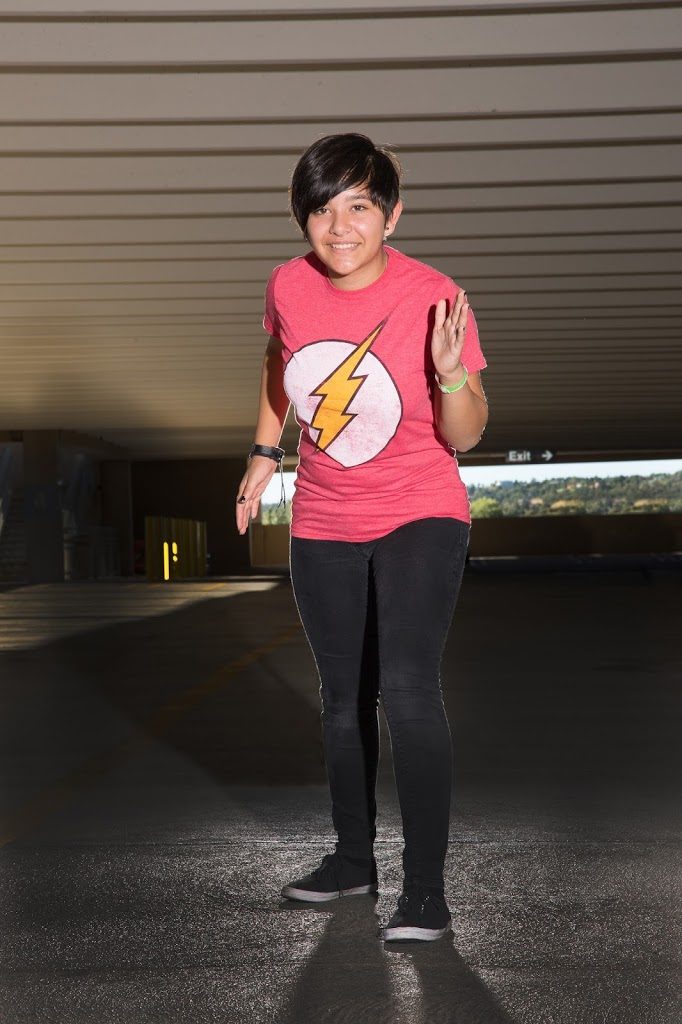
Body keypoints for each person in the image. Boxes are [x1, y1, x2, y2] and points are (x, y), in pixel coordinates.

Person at [235, 133, 489, 942]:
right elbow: (283, 365)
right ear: (302, 217)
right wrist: (263, 452)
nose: (338, 227)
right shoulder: (286, 283)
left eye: (359, 207)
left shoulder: (435, 294)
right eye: (321, 208)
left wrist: (450, 372)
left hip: (420, 506)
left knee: (408, 688)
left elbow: (471, 430)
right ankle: (353, 861)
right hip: (324, 516)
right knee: (342, 701)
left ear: (392, 214)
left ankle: (425, 894)